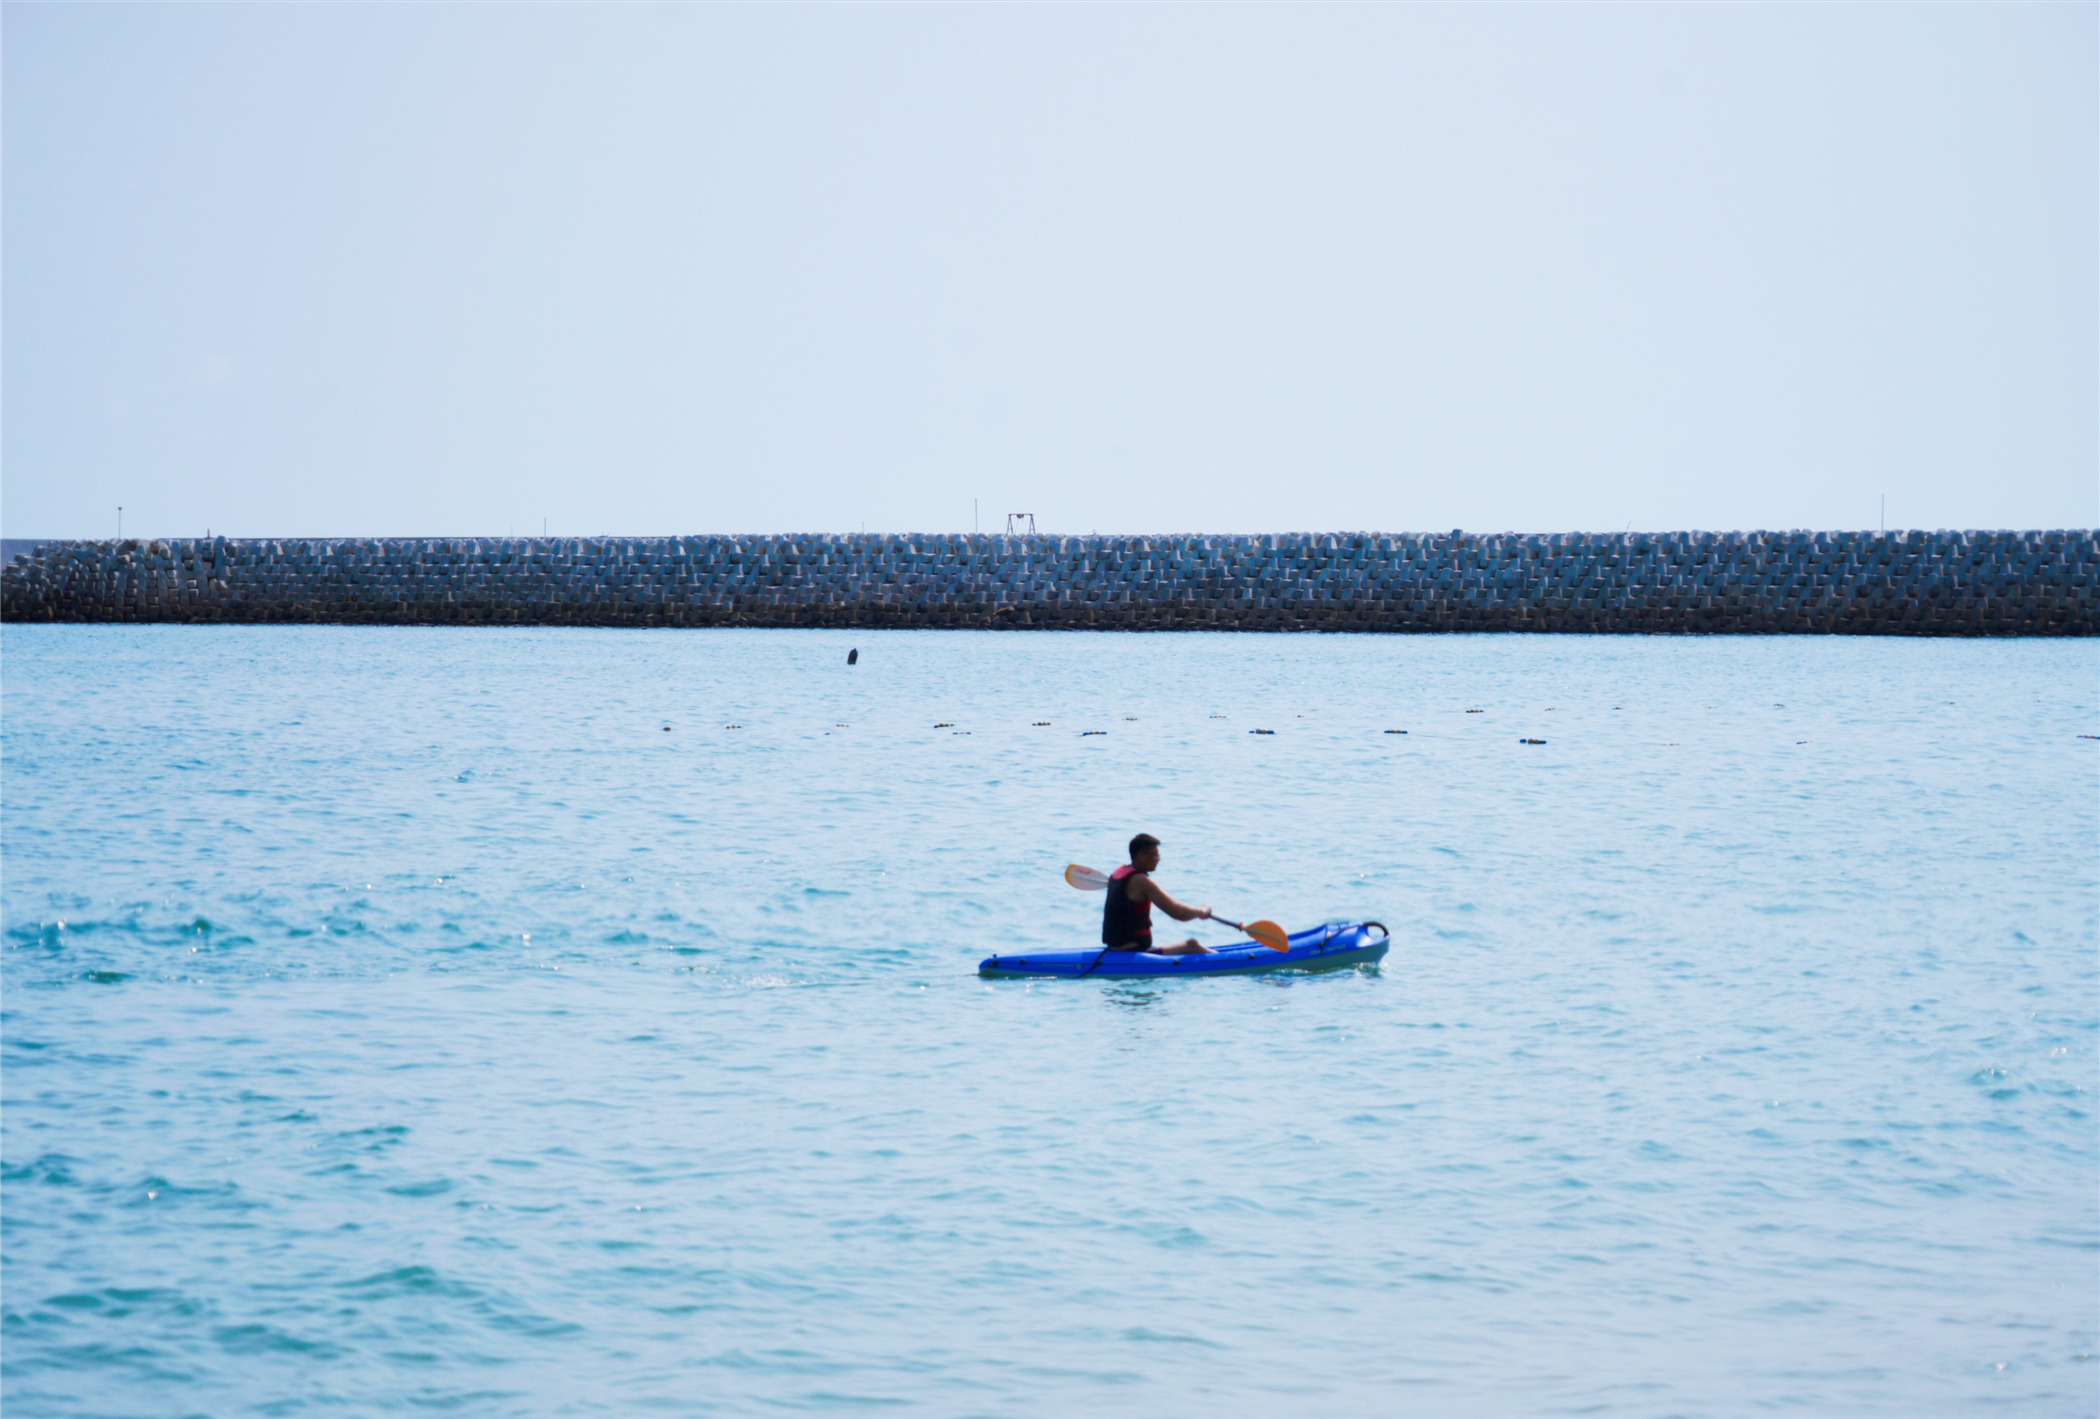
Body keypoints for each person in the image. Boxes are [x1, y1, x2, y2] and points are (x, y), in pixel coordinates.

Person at [1102, 833, 1214, 954]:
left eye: (1158, 854)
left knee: (1192, 944)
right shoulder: (1142, 881)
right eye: (1154, 855)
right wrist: (1202, 911)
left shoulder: (1118, 874)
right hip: (1132, 951)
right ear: (1141, 856)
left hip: (1115, 947)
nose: (1158, 858)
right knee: (1192, 946)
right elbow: (1177, 912)